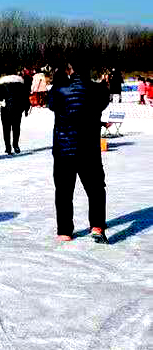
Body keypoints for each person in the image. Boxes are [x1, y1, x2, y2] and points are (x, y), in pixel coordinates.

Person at [48, 60, 110, 243]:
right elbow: (103, 103)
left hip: (63, 148)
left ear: (70, 70)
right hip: (89, 148)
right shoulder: (99, 90)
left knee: (64, 191)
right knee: (96, 188)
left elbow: (51, 104)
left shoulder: (59, 90)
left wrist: (59, 81)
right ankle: (97, 225)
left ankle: (65, 231)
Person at [0, 72, 30, 154]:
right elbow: (26, 98)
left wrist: (0, 101)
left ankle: (8, 147)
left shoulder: (1, 85)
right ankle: (16, 145)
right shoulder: (21, 85)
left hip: (5, 109)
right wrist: (26, 109)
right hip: (18, 109)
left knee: (6, 129)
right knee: (16, 128)